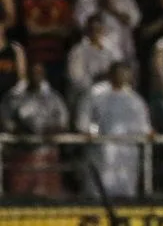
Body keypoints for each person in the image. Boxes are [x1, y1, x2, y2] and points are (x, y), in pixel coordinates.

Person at [77, 61, 151, 199]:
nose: (122, 76)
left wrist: (148, 133)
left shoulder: (135, 100)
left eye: (125, 73)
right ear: (110, 74)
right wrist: (86, 131)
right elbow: (84, 119)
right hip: (101, 151)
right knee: (98, 191)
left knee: (125, 193)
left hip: (126, 154)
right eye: (119, 72)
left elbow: (143, 128)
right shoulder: (95, 93)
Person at [0, 63, 70, 197]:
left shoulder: (54, 98)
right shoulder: (14, 97)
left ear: (44, 76)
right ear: (27, 75)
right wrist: (18, 129)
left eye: (39, 73)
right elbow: (5, 120)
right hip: (21, 154)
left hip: (47, 154)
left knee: (47, 197)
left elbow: (63, 122)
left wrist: (52, 130)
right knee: (20, 197)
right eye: (33, 73)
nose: (36, 76)